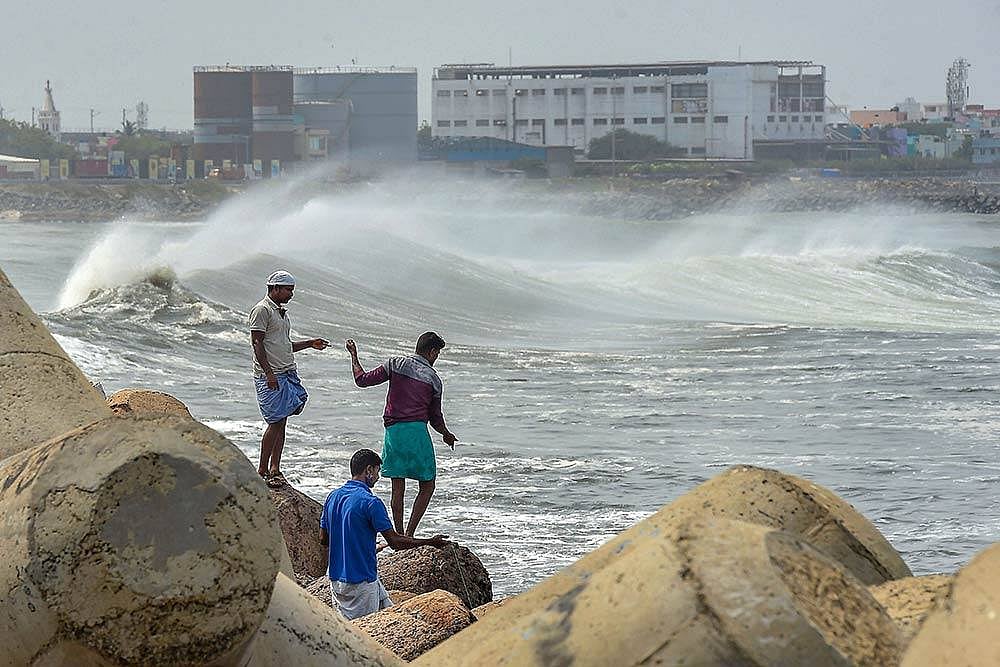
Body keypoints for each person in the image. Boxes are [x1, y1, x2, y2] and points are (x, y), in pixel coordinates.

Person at [346, 332, 457, 537]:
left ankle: (398, 535)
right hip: (417, 433)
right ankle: (410, 533)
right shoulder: (433, 379)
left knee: (398, 487)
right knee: (427, 484)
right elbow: (435, 418)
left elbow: (361, 380)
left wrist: (354, 355)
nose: (436, 358)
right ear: (432, 352)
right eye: (437, 353)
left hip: (394, 432)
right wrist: (446, 434)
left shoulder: (395, 364)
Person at [321, 448, 449, 619]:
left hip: (336, 579)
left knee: (387, 608)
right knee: (364, 632)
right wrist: (430, 542)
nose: (378, 477)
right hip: (361, 581)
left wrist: (365, 547)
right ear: (369, 470)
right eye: (377, 471)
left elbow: (324, 539)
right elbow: (396, 543)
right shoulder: (371, 503)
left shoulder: (333, 497)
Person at [248, 270, 330, 486]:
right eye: (288, 290)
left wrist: (310, 343)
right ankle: (262, 469)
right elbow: (257, 343)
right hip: (272, 374)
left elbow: (285, 345)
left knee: (281, 421)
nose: (291, 294)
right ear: (274, 288)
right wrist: (268, 373)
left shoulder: (281, 313)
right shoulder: (262, 310)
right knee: (275, 422)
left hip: (286, 372)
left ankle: (276, 467)